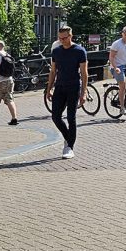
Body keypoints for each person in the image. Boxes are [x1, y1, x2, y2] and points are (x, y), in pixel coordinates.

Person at [45, 26, 87, 158]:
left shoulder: (79, 51)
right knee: (55, 116)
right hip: (60, 86)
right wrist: (49, 88)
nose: (62, 41)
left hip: (74, 86)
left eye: (64, 38)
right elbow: (53, 71)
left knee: (71, 117)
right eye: (60, 38)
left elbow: (84, 74)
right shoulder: (56, 51)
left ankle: (69, 147)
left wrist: (83, 93)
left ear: (71, 36)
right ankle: (68, 137)